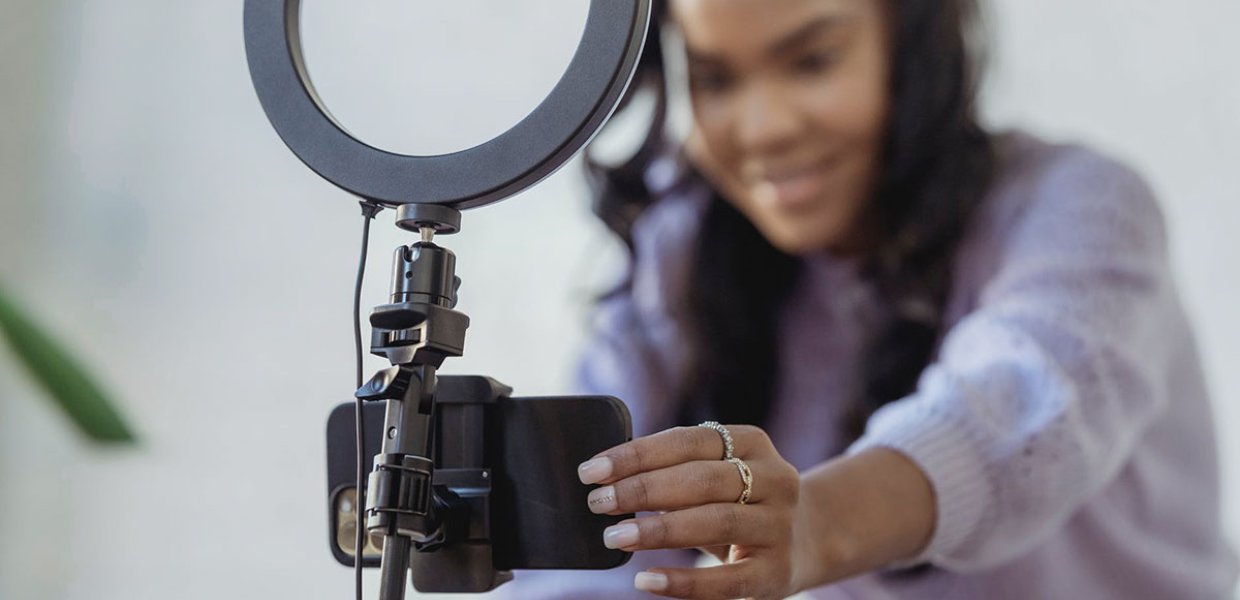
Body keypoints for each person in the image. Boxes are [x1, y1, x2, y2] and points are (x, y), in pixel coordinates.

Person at [497, 0, 1238, 598]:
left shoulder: (1080, 208)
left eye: (813, 60)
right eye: (717, 80)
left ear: (912, 44)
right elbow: (589, 558)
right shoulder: (681, 246)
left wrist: (815, 526)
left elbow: (1014, 410)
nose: (765, 128)